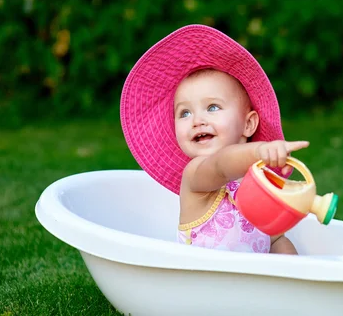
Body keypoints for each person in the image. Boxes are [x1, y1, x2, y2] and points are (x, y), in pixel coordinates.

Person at [120, 25, 307, 255]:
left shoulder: (259, 181)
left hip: (252, 286)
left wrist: (294, 270)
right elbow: (222, 164)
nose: (197, 120)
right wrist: (261, 152)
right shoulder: (196, 174)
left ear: (248, 124)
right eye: (185, 113)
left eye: (212, 107)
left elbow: (276, 239)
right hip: (205, 285)